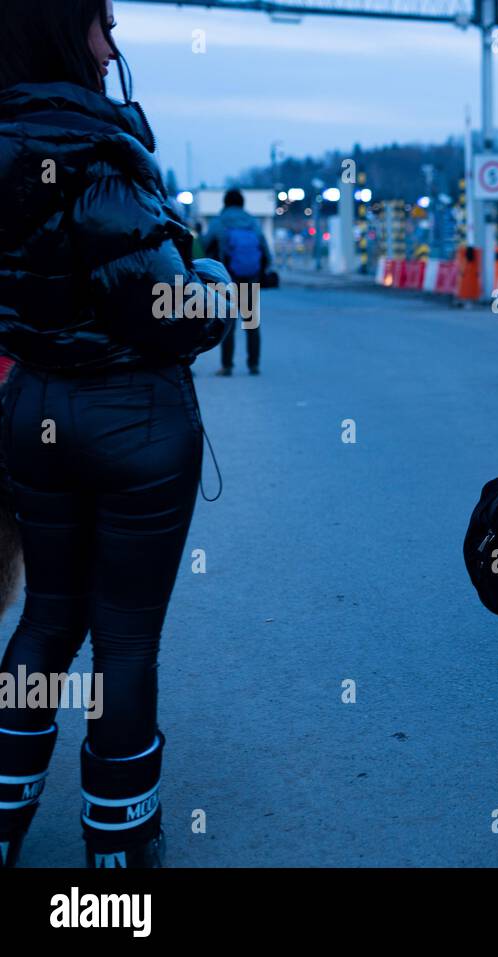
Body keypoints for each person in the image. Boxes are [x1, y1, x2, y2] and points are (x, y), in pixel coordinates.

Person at [0, 0, 235, 867]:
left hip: (34, 409)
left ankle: (3, 821)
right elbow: (165, 306)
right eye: (100, 23)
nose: (111, 45)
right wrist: (206, 273)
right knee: (125, 639)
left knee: (45, 622)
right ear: (62, 32)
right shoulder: (94, 151)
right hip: (131, 417)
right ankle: (117, 856)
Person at [204, 188, 272, 376]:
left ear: (225, 203)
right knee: (251, 322)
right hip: (251, 277)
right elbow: (265, 250)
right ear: (243, 203)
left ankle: (227, 366)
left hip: (226, 278)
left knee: (228, 322)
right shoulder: (252, 222)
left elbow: (205, 244)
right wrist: (263, 271)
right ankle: (254, 364)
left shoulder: (219, 222)